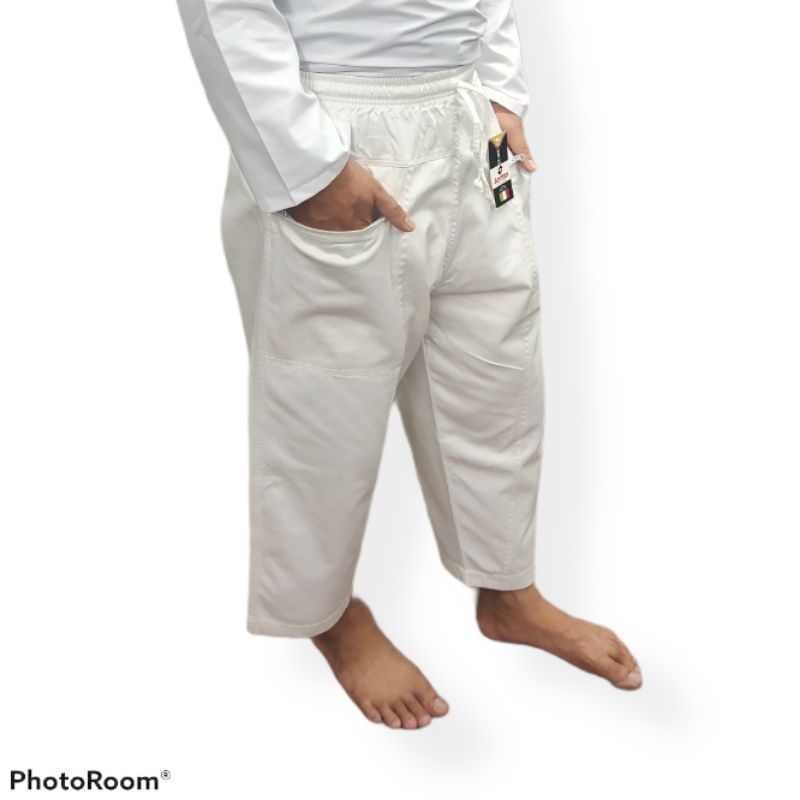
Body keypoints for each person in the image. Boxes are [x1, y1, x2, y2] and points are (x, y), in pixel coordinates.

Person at [176, 0, 642, 730]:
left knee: (497, 379)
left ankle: (507, 590)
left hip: (466, 116)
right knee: (325, 406)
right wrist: (308, 167)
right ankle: (328, 616)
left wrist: (499, 93)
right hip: (336, 122)